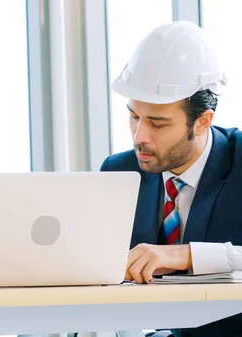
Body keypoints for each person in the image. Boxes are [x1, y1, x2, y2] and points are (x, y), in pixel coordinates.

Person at [101, 20, 242, 337]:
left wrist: (189, 254)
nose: (140, 137)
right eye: (134, 116)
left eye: (158, 124)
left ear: (202, 122)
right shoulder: (118, 173)